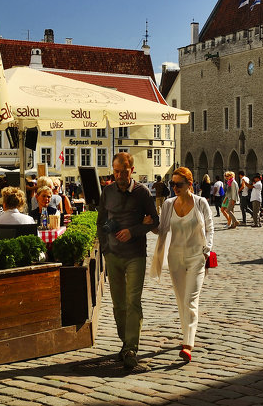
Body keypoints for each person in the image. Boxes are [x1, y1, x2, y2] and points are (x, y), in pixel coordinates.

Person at [97, 151, 159, 372]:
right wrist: (105, 249)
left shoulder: (142, 193)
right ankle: (125, 343)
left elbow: (155, 220)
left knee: (133, 301)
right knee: (118, 303)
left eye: (124, 171)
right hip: (113, 255)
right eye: (116, 171)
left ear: (131, 170)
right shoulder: (108, 191)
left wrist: (133, 231)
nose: (120, 175)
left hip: (135, 254)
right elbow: (101, 222)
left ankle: (131, 347)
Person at [150, 167, 214, 364]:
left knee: (190, 300)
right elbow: (161, 229)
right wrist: (149, 224)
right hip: (175, 257)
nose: (175, 187)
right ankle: (186, 334)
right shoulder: (169, 204)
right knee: (181, 301)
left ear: (190, 184)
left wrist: (206, 251)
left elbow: (210, 228)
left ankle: (188, 344)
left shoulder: (201, 203)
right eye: (172, 184)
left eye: (179, 184)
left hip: (196, 257)